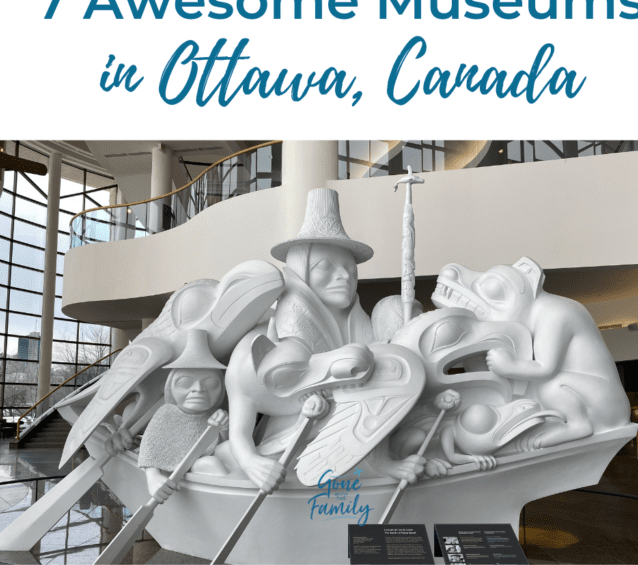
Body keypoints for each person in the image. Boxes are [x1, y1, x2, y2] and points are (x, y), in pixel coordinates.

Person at [219, 189, 425, 491]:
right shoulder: (261, 347)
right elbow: (241, 417)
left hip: (356, 441)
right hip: (292, 446)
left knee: (393, 311)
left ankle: (379, 462)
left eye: (350, 270)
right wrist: (250, 461)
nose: (344, 276)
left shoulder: (359, 328)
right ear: (301, 271)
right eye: (326, 267)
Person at [136, 328, 229, 500]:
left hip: (205, 464)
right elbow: (150, 447)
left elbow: (218, 444)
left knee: (228, 450)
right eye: (185, 382)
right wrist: (153, 477)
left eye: (211, 384)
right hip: (183, 471)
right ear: (170, 385)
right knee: (210, 463)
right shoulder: (166, 413)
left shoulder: (213, 414)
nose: (199, 390)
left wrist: (223, 428)